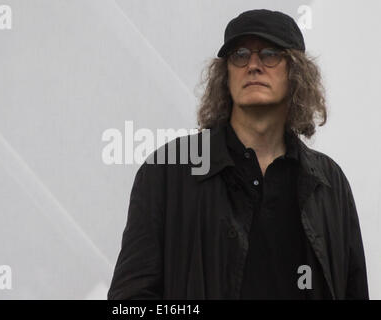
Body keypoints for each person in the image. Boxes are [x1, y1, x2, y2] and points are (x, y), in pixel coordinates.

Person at [107, 9, 369, 299]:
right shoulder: (168, 170)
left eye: (270, 54)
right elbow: (129, 300)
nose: (253, 65)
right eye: (240, 54)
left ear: (296, 73)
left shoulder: (330, 182)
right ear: (225, 75)